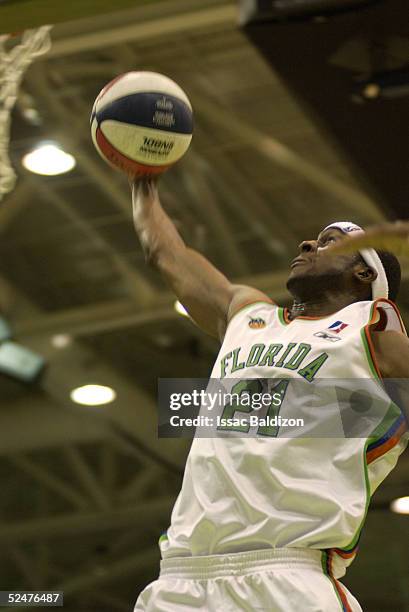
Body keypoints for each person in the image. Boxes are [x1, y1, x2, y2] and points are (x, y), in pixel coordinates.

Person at [131, 177, 408, 612]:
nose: (305, 243)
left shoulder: (373, 331)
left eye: (328, 242)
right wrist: (141, 180)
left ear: (364, 273)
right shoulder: (246, 313)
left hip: (290, 574)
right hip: (182, 580)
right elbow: (167, 253)